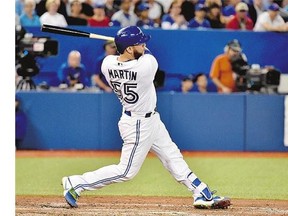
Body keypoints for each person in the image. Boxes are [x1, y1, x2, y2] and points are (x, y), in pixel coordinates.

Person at [61, 25, 232, 209]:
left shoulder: (107, 64)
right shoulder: (146, 67)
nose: (143, 45)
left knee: (172, 156)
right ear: (129, 48)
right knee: (126, 171)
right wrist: (127, 43)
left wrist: (125, 43)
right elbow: (146, 54)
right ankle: (75, 183)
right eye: (139, 43)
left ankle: (201, 192)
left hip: (149, 120)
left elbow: (124, 56)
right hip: (137, 124)